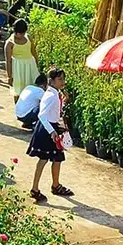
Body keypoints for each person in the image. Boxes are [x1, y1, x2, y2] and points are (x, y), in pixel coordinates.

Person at [28, 68, 73, 201]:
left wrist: (64, 101)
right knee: (43, 159)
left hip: (50, 128)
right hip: (47, 130)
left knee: (57, 158)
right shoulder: (51, 95)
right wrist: (52, 131)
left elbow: (54, 111)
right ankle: (35, 189)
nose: (63, 82)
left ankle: (55, 185)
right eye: (60, 79)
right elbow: (42, 115)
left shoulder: (54, 94)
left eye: (63, 79)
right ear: (51, 81)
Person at [9, 18, 36, 101]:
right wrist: (9, 76)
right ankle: (18, 110)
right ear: (15, 32)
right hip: (17, 68)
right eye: (19, 34)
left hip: (30, 65)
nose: (21, 35)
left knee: (31, 88)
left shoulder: (28, 38)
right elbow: (8, 61)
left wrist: (36, 65)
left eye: (23, 33)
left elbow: (34, 52)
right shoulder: (10, 43)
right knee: (17, 90)